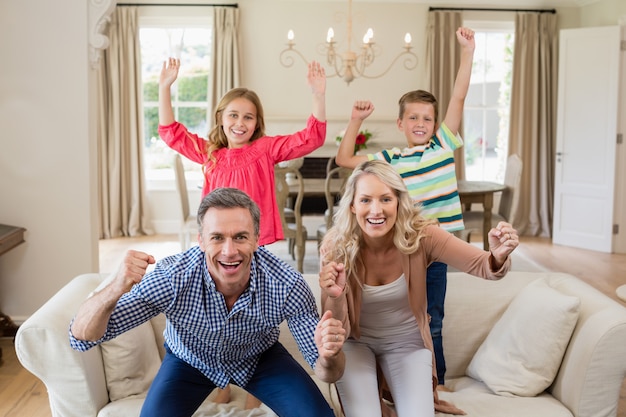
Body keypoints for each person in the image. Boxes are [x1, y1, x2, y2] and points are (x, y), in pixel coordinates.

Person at [70, 187, 346, 417]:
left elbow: (328, 373)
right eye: (217, 238)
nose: (229, 251)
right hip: (189, 359)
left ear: (257, 240)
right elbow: (82, 336)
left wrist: (329, 354)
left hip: (259, 357)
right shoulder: (173, 277)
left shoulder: (286, 284)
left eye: (240, 237)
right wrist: (116, 286)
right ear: (200, 240)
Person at [319, 160, 519, 417]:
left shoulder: (423, 236)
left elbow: (483, 265)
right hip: (356, 344)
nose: (376, 210)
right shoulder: (336, 246)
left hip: (407, 343)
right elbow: (334, 328)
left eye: (386, 199)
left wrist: (498, 255)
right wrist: (335, 296)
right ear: (352, 205)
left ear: (399, 202)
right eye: (366, 200)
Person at [334, 27, 475, 387]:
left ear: (436, 124)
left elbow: (458, 96)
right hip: (402, 250)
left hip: (436, 249)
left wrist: (467, 52)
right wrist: (356, 120)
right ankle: (397, 376)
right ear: (400, 123)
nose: (420, 124)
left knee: (433, 317)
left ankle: (436, 383)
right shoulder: (389, 159)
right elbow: (345, 157)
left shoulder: (442, 146)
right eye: (413, 117)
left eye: (427, 118)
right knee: (406, 316)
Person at [158, 58, 327, 246]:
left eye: (248, 117)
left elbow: (312, 138)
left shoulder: (266, 149)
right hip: (217, 237)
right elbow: (170, 132)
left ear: (256, 124)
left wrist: (318, 95)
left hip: (252, 240)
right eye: (233, 115)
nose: (240, 123)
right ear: (221, 118)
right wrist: (164, 88)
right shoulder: (209, 153)